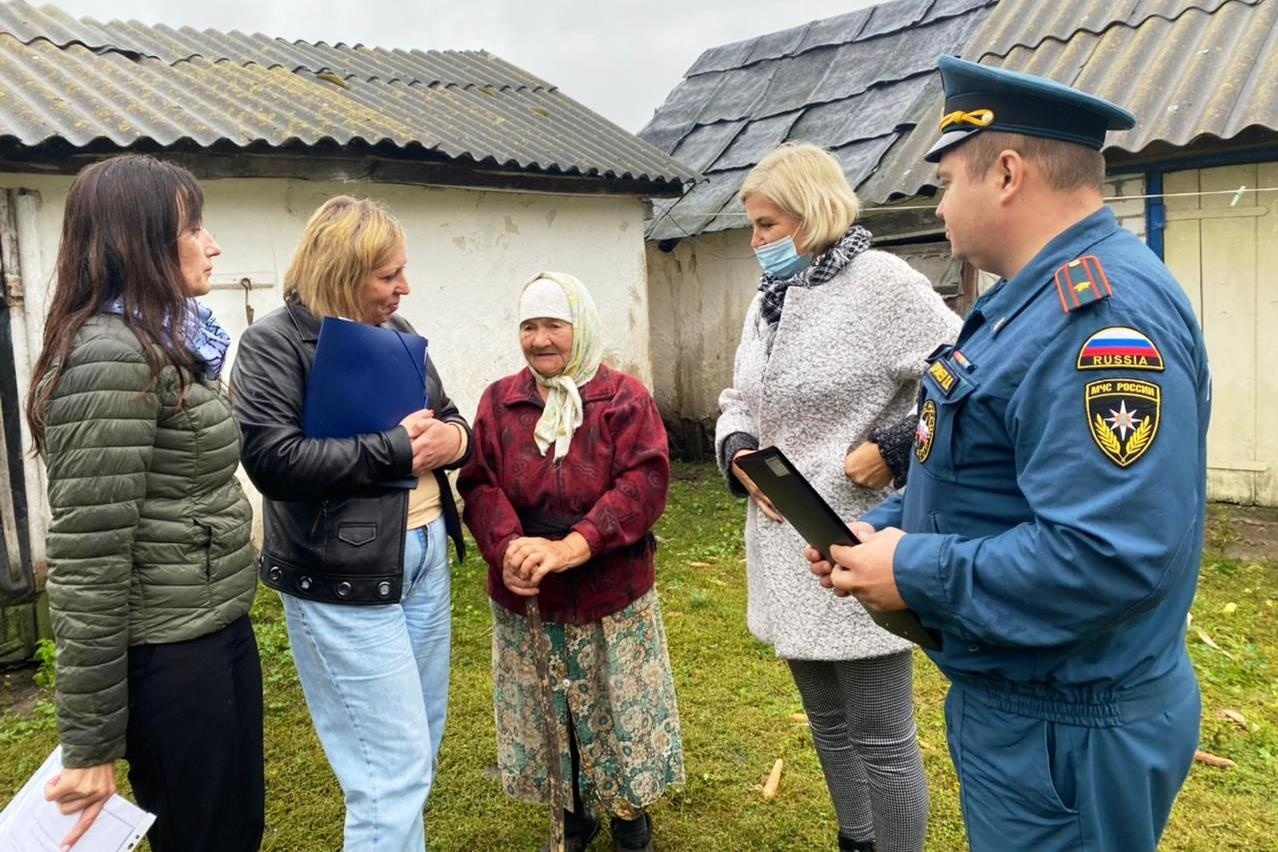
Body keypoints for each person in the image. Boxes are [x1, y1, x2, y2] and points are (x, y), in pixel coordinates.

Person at [810, 56, 1211, 852]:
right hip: (1031, 705)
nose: (938, 201)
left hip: (1070, 727)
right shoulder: (1025, 303)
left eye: (947, 178)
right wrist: (884, 530)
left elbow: (1107, 556)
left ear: (1005, 173)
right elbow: (985, 469)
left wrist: (913, 570)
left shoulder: (1099, 320)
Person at [716, 142, 960, 852]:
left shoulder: (884, 285)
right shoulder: (770, 301)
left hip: (861, 542)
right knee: (826, 720)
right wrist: (737, 454)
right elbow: (739, 397)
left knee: (882, 733)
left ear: (813, 213)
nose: (756, 242)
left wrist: (894, 448)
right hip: (784, 544)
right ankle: (857, 840)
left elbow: (970, 379)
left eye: (767, 225)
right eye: (752, 227)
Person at [29, 154, 262, 851]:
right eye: (194, 227)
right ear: (142, 243)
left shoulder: (175, 341)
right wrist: (91, 744)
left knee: (233, 830)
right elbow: (89, 561)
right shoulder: (111, 355)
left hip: (214, 626)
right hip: (170, 659)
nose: (213, 244)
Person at [230, 196, 471, 849]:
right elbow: (272, 461)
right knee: (386, 775)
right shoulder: (273, 343)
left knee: (413, 757)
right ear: (341, 269)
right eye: (388, 275)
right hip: (340, 577)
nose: (404, 286)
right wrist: (395, 448)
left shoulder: (399, 334)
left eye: (403, 271)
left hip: (420, 561)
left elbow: (450, 418)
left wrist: (455, 442)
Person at [457, 272, 684, 852]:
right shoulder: (500, 402)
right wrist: (508, 548)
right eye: (528, 327)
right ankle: (574, 812)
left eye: (553, 325)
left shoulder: (624, 398)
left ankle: (630, 817)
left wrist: (574, 544)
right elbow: (480, 484)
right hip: (531, 591)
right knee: (550, 709)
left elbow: (645, 483)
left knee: (617, 708)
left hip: (610, 587)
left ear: (579, 328)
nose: (539, 340)